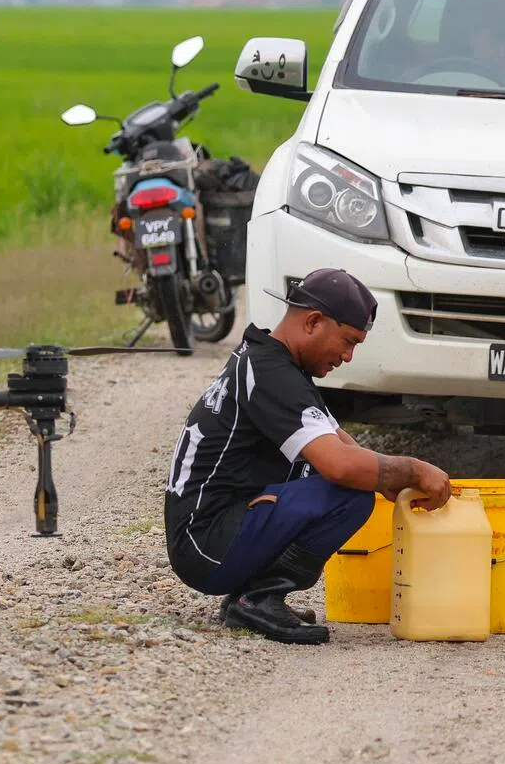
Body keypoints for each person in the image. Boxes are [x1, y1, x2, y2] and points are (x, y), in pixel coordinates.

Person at [164, 268, 452, 644]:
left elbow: (341, 441)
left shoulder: (275, 363)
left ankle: (253, 594)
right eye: (348, 341)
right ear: (313, 321)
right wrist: (413, 469)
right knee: (347, 493)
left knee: (348, 479)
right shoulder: (269, 373)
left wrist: (389, 480)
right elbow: (340, 465)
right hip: (205, 545)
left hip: (210, 534)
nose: (347, 356)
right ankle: (257, 598)